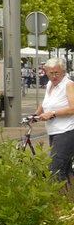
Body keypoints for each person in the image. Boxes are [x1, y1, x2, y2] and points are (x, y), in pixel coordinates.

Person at [34, 58, 74, 186]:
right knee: (64, 169)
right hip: (54, 131)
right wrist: (35, 115)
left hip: (66, 131)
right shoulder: (50, 85)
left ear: (64, 72)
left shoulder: (68, 85)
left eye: (57, 73)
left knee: (56, 170)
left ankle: (59, 201)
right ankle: (68, 199)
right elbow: (46, 103)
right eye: (50, 73)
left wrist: (53, 113)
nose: (54, 76)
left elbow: (73, 108)